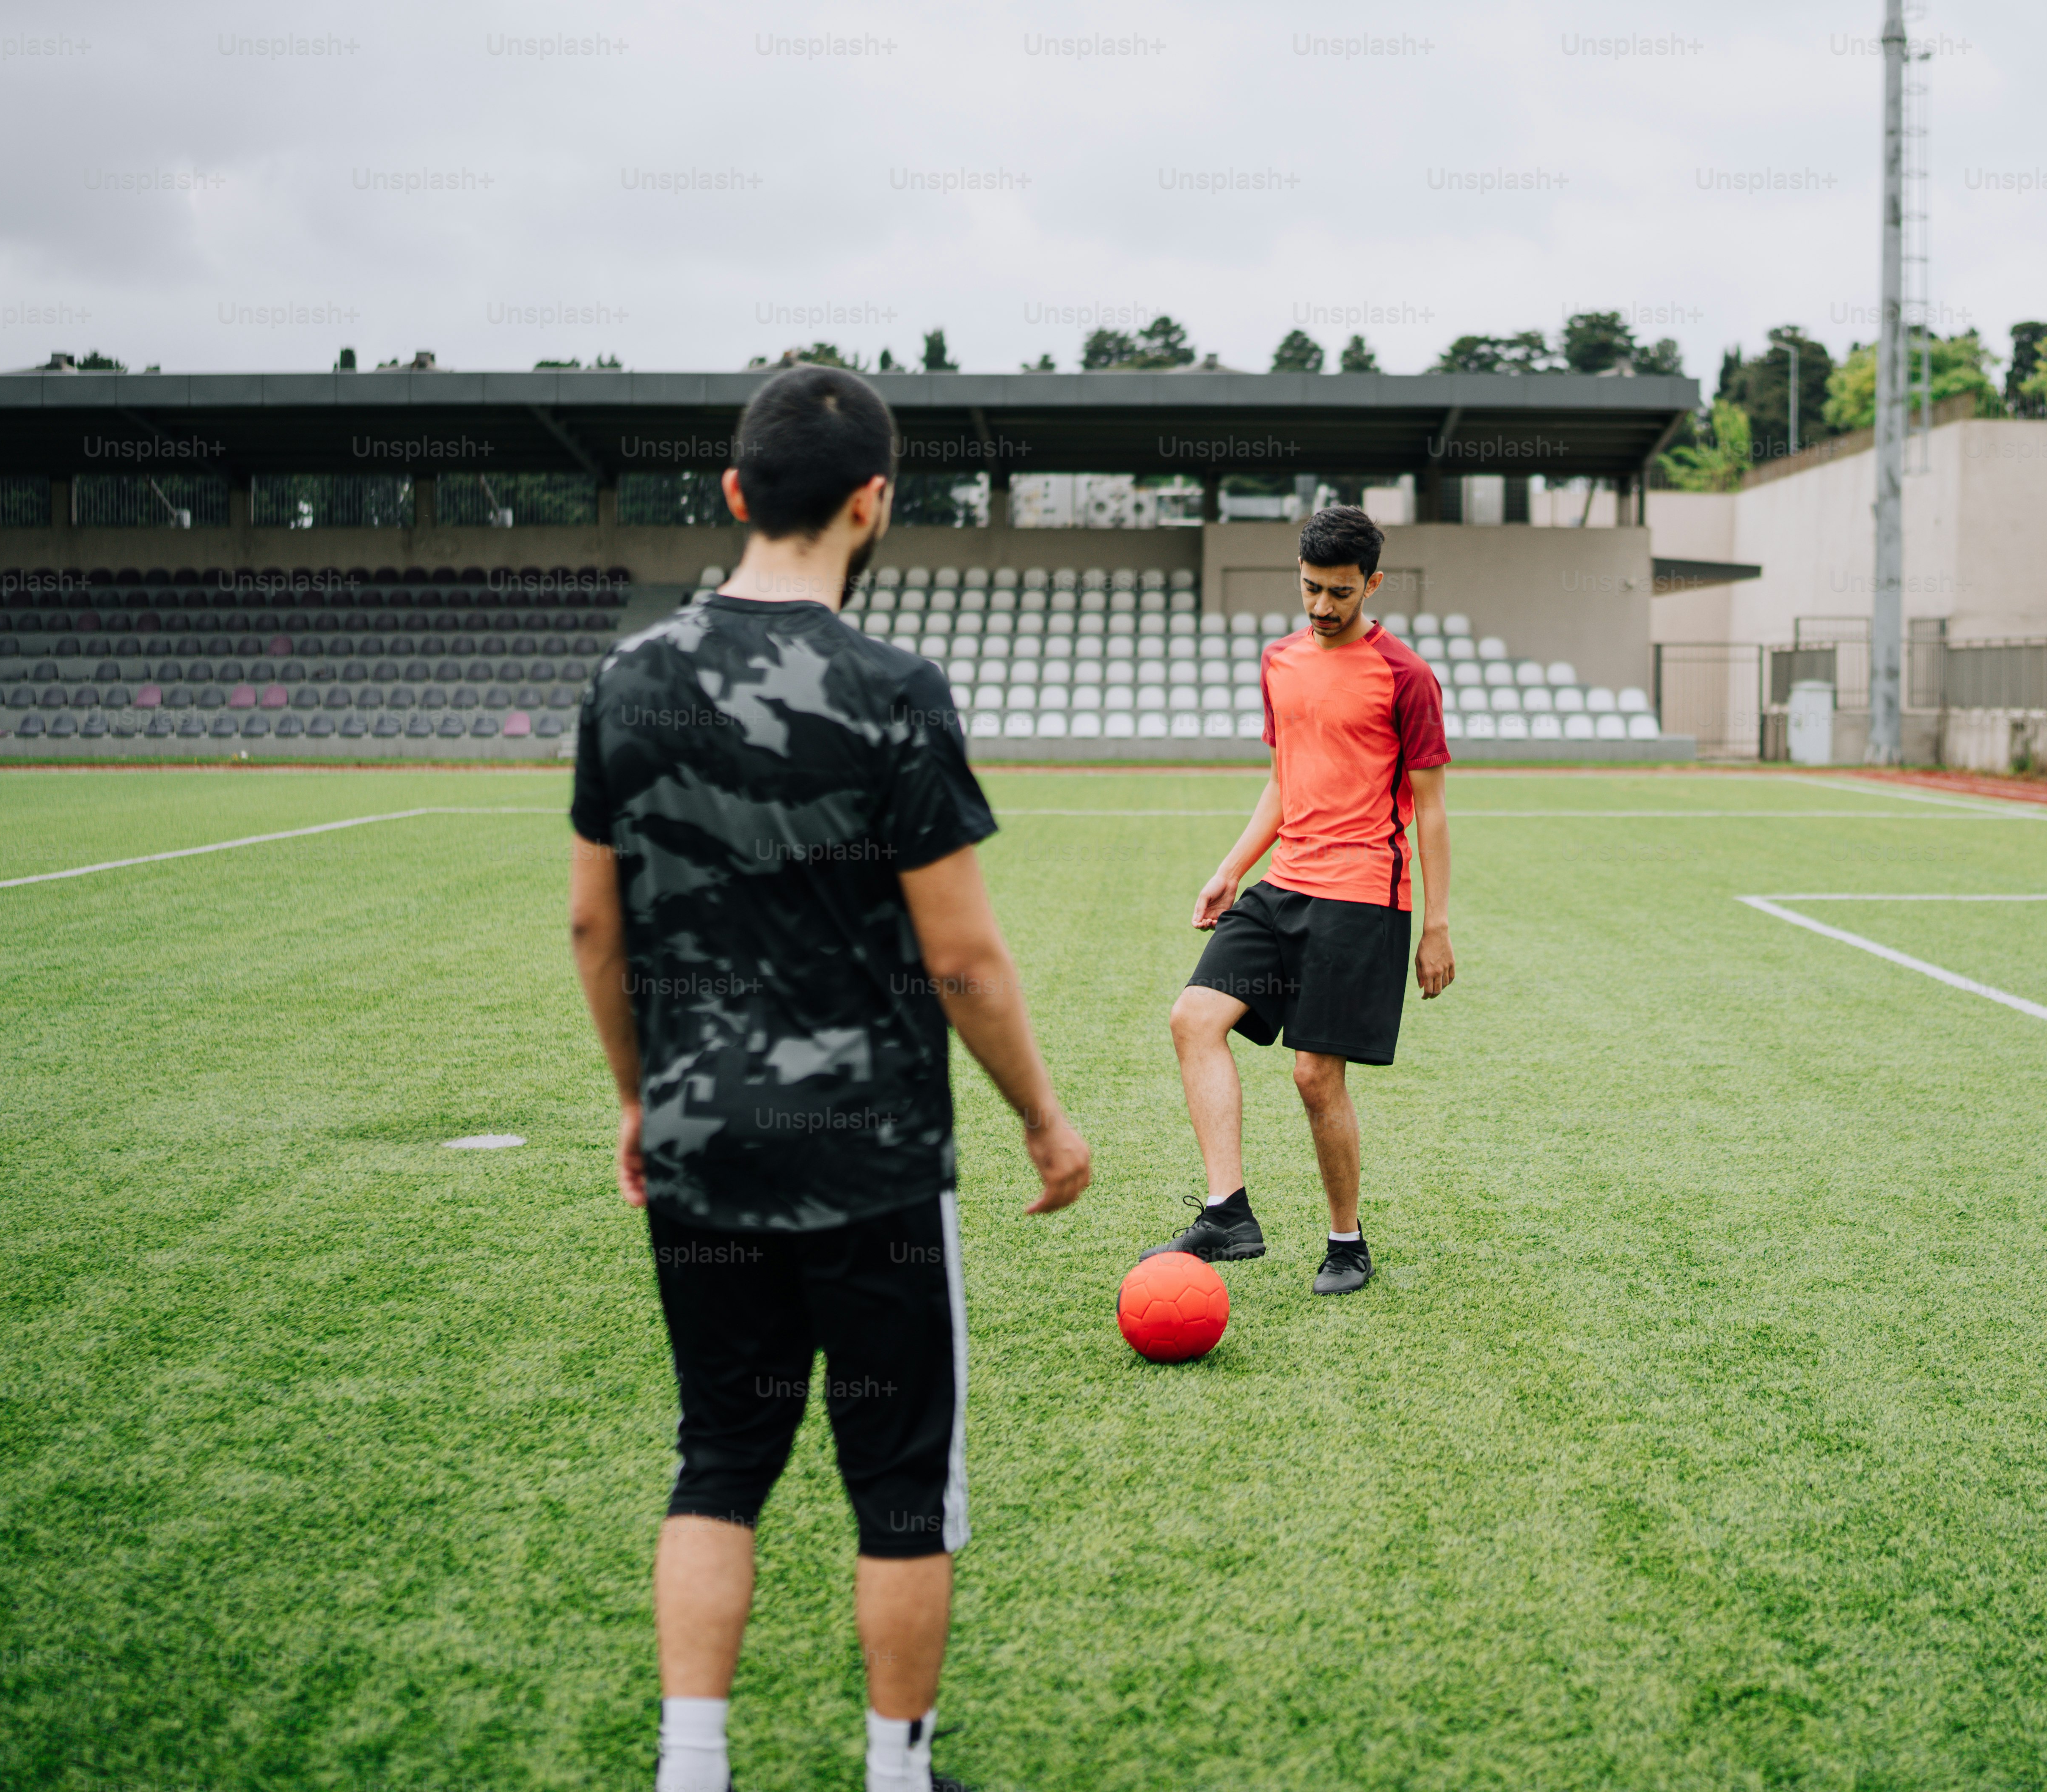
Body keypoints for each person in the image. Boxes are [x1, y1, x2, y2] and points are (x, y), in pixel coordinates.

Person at [568, 364, 1090, 1792]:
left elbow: (590, 924)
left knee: (719, 1455)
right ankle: (893, 1770)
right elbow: (965, 958)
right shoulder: (891, 690)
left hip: (703, 1152)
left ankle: (692, 1766)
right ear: (873, 502)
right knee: (899, 1486)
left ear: (736, 493)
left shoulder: (629, 678)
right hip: (869, 1161)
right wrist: (1043, 1116)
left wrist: (637, 1095)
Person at [1144, 506, 1453, 1295]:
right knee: (1193, 1018)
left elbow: (1434, 807)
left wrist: (1436, 927)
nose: (1321, 608)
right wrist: (1230, 868)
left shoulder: (1406, 677)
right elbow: (1285, 780)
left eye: (1340, 593)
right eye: (1311, 589)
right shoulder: (1280, 661)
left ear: (1372, 585)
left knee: (1315, 1077)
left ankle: (1345, 1242)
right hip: (1284, 884)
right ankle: (1227, 1213)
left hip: (1363, 896)